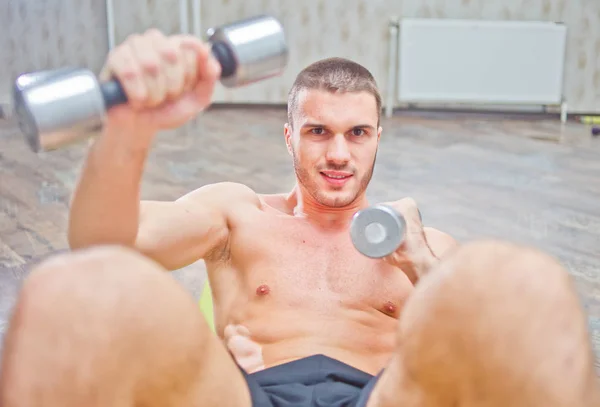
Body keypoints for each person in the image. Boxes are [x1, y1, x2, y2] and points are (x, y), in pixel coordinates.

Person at [0, 30, 598, 407]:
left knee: (524, 287)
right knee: (65, 296)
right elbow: (104, 245)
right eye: (318, 132)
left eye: (357, 133)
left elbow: (479, 353)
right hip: (243, 393)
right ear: (290, 137)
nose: (338, 154)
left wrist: (419, 263)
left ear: (377, 138)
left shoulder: (422, 248)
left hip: (379, 397)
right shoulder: (236, 214)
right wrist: (131, 126)